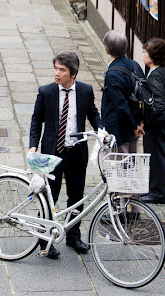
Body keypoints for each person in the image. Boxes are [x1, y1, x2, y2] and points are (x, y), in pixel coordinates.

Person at [29, 52, 101, 258]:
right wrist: (33, 145)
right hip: (53, 153)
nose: (57, 73)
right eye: (56, 68)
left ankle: (73, 235)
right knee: (49, 197)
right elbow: (36, 121)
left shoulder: (85, 91)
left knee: (76, 197)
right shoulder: (47, 92)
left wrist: (102, 131)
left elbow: (93, 114)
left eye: (62, 70)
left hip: (76, 152)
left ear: (73, 74)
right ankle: (45, 240)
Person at [141, 38, 165, 205]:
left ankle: (158, 192)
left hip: (156, 124)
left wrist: (148, 118)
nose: (143, 55)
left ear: (152, 56)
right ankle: (157, 189)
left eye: (146, 52)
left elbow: (159, 102)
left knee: (156, 157)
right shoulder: (163, 71)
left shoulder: (155, 75)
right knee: (158, 156)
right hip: (164, 122)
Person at [101, 31, 145, 155]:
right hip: (135, 124)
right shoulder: (134, 65)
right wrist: (140, 123)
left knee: (117, 168)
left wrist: (134, 126)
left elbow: (120, 105)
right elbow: (144, 93)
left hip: (119, 129)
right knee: (130, 166)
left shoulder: (112, 74)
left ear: (106, 49)